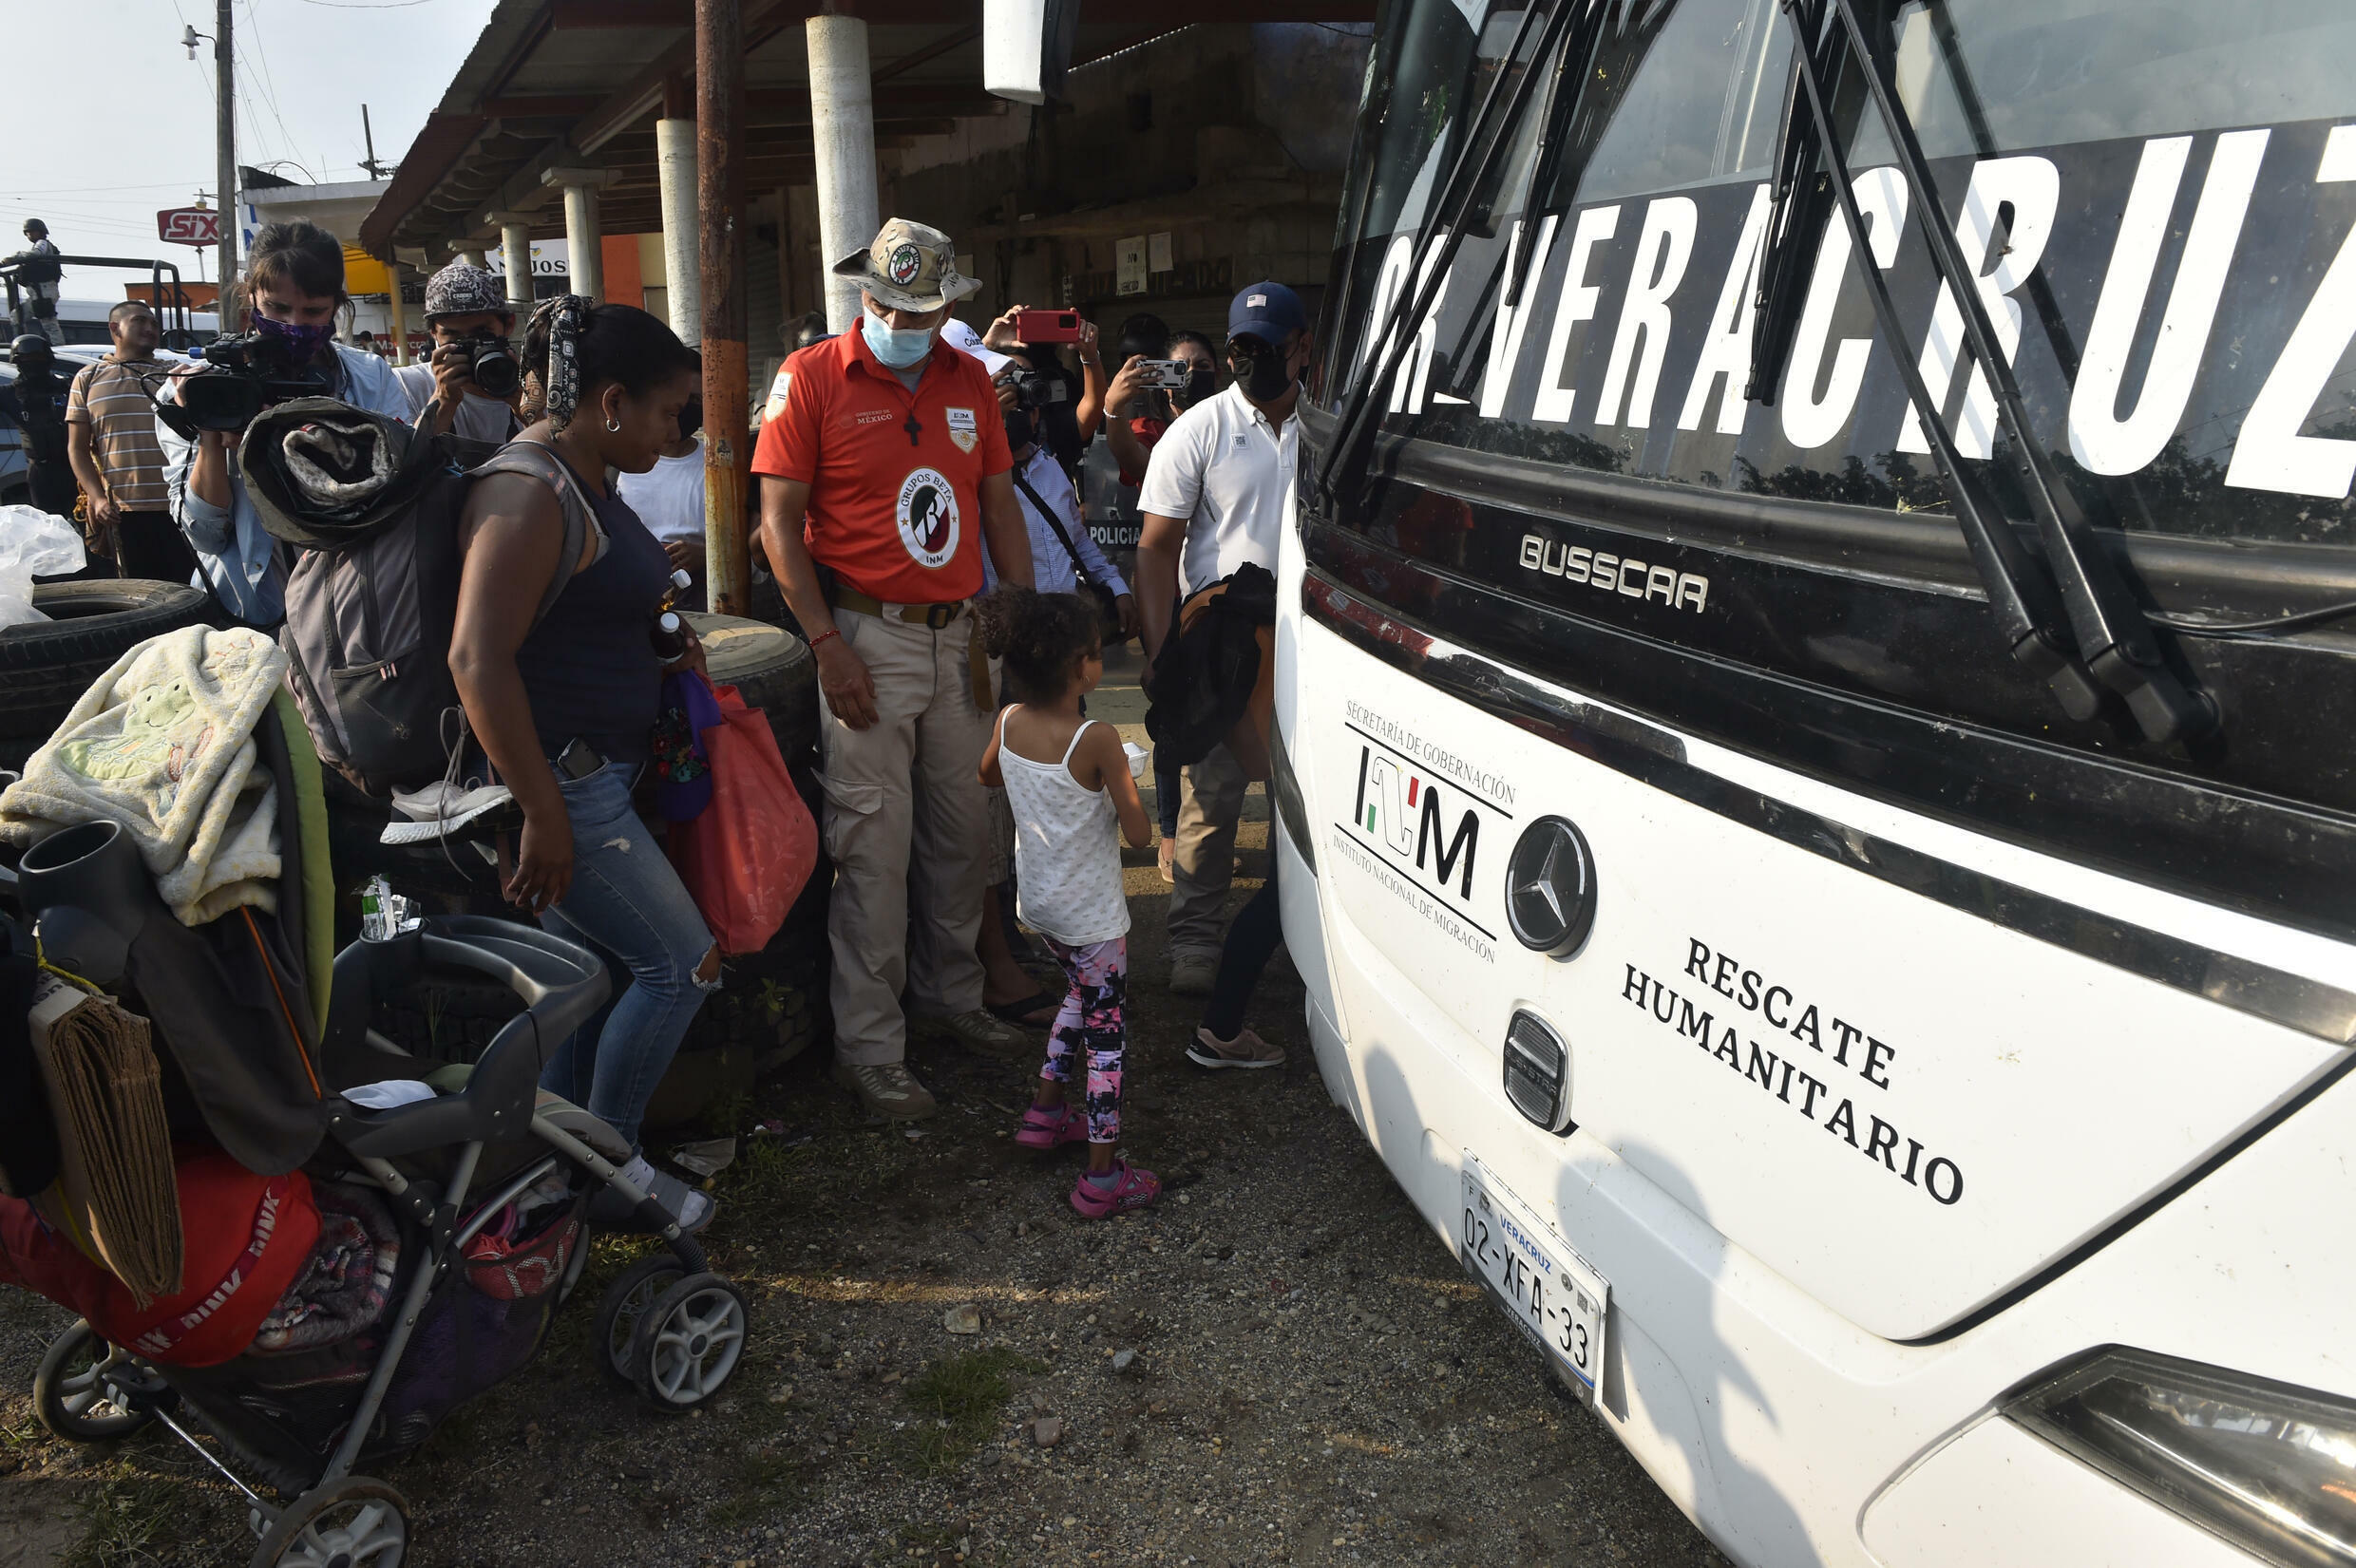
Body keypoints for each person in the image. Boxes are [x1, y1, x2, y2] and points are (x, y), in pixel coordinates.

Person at [751, 218, 1036, 1123]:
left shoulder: (970, 383)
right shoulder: (810, 379)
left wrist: (1018, 617)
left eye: (918, 308)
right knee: (871, 849)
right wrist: (827, 645)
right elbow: (776, 524)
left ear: (949, 307)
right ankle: (870, 1048)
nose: (898, 319)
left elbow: (999, 506)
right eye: (883, 303)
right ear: (861, 297)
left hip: (958, 640)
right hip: (865, 638)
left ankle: (952, 998)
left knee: (963, 834)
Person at [447, 294, 720, 1233]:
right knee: (682, 965)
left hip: (592, 776)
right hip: (565, 786)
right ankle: (615, 1169)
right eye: (667, 410)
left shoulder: (585, 480)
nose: (676, 429)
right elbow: (476, 659)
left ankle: (554, 1178)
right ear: (611, 402)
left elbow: (582, 609)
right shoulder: (529, 492)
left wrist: (658, 637)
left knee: (578, 987)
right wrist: (545, 812)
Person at [945, 318, 1139, 1030]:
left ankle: (1032, 935)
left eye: (1014, 384)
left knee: (1047, 802)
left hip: (1051, 648)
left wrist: (1110, 587)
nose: (1013, 397)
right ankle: (996, 954)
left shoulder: (1045, 465)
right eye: (997, 384)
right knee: (994, 813)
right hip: (1000, 656)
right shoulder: (959, 475)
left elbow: (1077, 536)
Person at [1134, 281, 1313, 1004]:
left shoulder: (1326, 430)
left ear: (1305, 348)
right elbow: (1154, 550)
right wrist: (1159, 653)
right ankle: (1195, 941)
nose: (1252, 360)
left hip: (1307, 640)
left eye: (1269, 348)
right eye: (1241, 347)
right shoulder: (1199, 430)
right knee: (1211, 799)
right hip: (1221, 636)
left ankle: (1290, 936)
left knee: (1299, 800)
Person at [978, 586, 1160, 1218]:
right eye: (1093, 653)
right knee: (1107, 1045)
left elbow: (988, 773)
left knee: (1078, 1000)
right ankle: (1103, 1178)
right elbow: (1138, 834)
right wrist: (1120, 783)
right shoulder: (1099, 737)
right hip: (1094, 920)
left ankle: (1046, 1112)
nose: (1099, 661)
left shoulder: (1006, 720)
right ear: (1076, 666)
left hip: (1043, 909)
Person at [161, 221, 410, 627]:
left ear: (337, 305)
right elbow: (205, 535)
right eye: (277, 308)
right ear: (252, 296)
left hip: (355, 607)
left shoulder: (371, 378)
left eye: (313, 311)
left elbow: (397, 494)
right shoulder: (199, 388)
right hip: (247, 611)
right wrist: (210, 431)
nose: (295, 324)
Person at [1106, 329, 1220, 880]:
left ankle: (1206, 823)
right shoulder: (1154, 434)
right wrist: (1114, 410)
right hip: (1172, 600)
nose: (1191, 376)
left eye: (1201, 366)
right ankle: (1172, 830)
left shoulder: (1231, 427)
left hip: (1221, 597)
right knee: (1173, 720)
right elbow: (1130, 457)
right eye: (1179, 368)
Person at [65, 302, 200, 584]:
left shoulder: (175, 373)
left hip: (183, 504)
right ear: (115, 328)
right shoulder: (88, 377)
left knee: (191, 592)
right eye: (140, 321)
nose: (151, 329)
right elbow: (77, 449)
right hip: (125, 512)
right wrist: (97, 498)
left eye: (154, 324)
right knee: (142, 593)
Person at [394, 260, 524, 445]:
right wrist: (442, 401)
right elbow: (407, 467)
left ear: (508, 325)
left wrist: (529, 412)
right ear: (434, 334)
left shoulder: (539, 387)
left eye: (482, 334)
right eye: (453, 336)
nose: (471, 348)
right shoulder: (409, 385)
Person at [615, 394, 708, 608]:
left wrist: (706, 556)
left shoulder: (717, 466)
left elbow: (750, 554)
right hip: (634, 596)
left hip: (699, 602)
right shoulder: (620, 465)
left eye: (695, 399)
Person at [4, 335, 78, 520]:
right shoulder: (10, 394)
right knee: (47, 525)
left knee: (86, 525)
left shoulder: (66, 387)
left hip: (74, 467)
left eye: (38, 361)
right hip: (41, 471)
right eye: (27, 361)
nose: (33, 366)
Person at [10, 221, 64, 344]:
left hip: (44, 291)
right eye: (28, 232)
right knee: (16, 316)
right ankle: (20, 343)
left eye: (32, 231)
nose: (30, 235)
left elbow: (36, 253)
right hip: (37, 292)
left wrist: (16, 256)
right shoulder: (40, 245)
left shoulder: (42, 243)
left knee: (49, 324)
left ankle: (59, 349)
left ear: (41, 232)